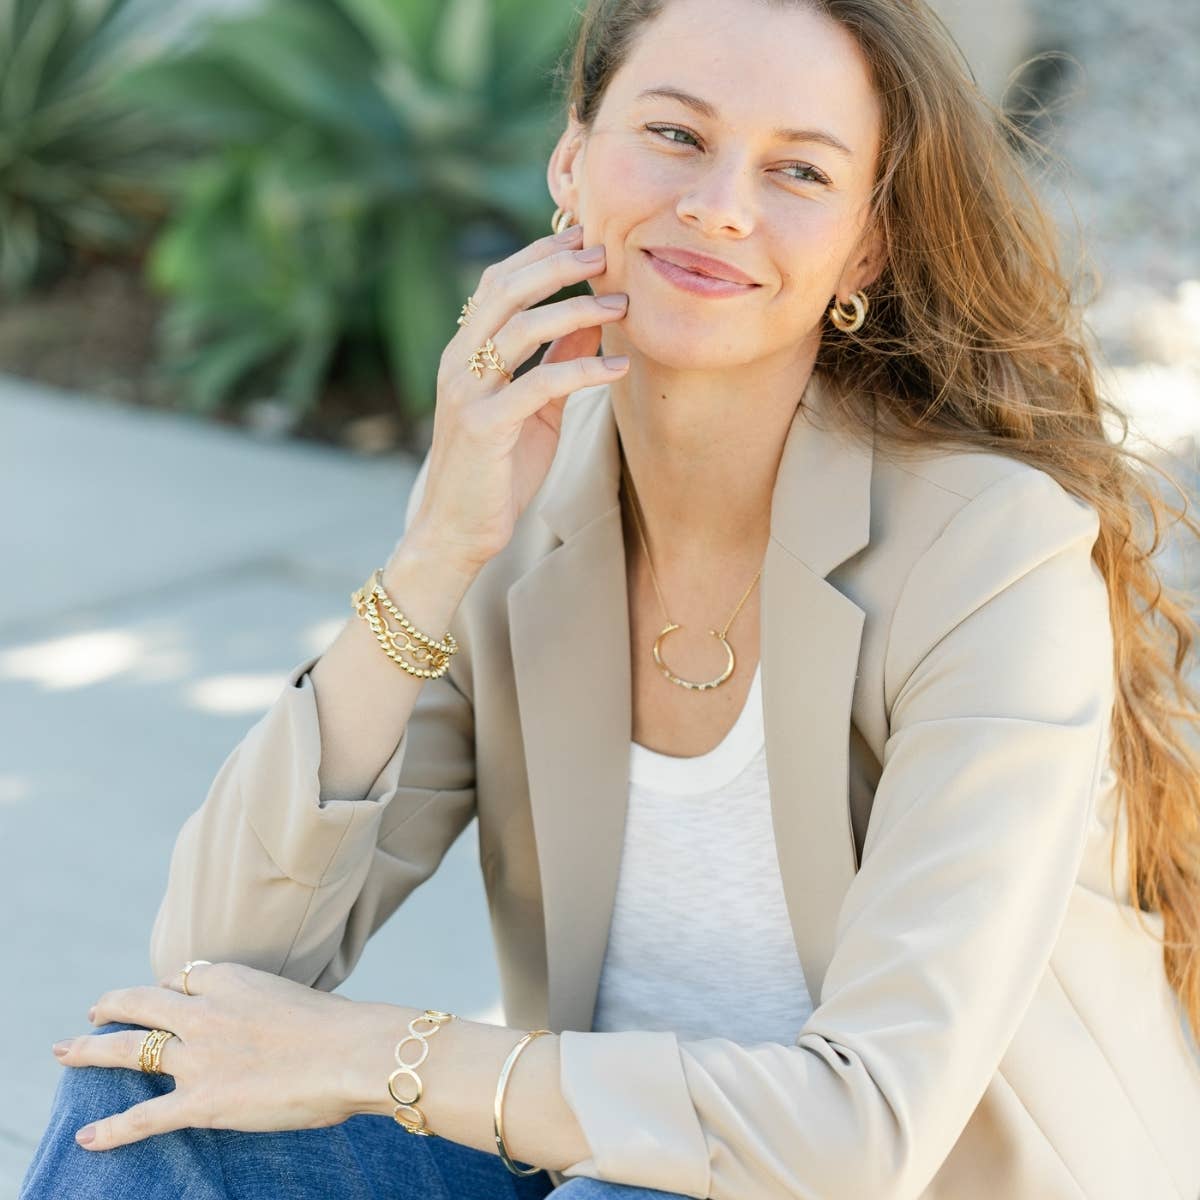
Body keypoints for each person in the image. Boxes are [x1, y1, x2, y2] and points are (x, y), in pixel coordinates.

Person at [21, 0, 1200, 1196]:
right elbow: (221, 965)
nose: (721, 203)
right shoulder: (524, 510)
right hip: (611, 1171)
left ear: (865, 250)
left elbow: (863, 1132)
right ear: (572, 162)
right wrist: (436, 550)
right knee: (150, 1087)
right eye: (678, 136)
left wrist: (383, 1057)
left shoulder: (987, 552)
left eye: (799, 169)